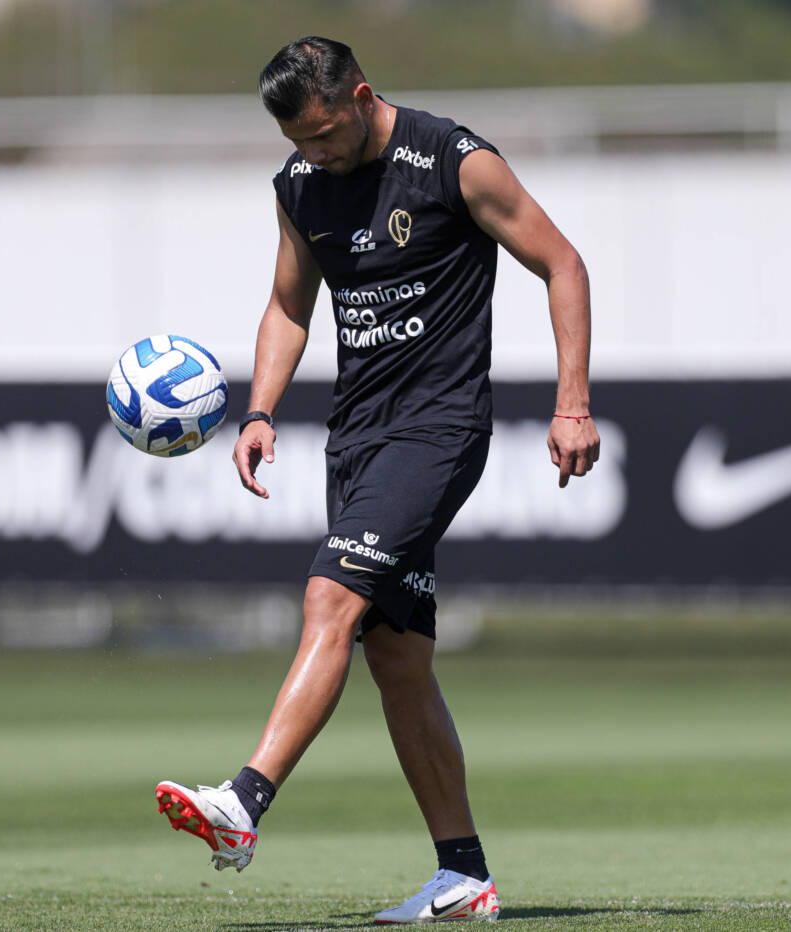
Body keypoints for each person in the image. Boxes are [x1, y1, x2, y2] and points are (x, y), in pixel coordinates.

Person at [155, 36, 600, 925]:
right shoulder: (300, 185)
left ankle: (244, 801)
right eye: (299, 142)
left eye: (324, 135)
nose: (314, 154)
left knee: (330, 596)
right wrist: (259, 411)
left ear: (361, 97)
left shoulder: (455, 162)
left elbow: (563, 264)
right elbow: (289, 306)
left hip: (439, 430)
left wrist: (573, 403)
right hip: (355, 439)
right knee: (398, 660)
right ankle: (464, 875)